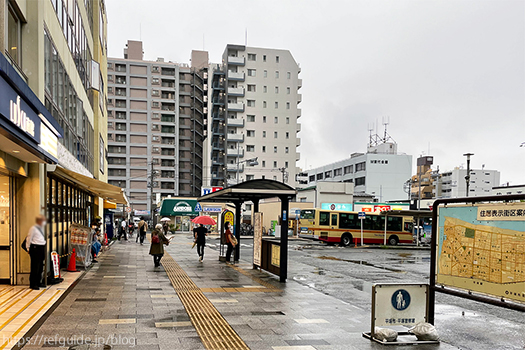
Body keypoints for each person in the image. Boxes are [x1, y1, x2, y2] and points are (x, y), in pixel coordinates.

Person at [26, 215, 47, 290]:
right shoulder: (33, 228)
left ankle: (38, 281)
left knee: (41, 266)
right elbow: (29, 238)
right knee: (35, 266)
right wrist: (28, 248)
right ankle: (33, 283)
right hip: (35, 248)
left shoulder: (42, 228)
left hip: (41, 247)